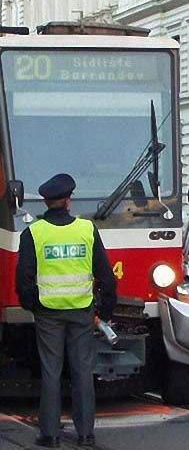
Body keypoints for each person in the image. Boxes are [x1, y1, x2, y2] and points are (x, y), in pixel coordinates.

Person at [16, 174, 117, 448]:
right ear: (69, 201)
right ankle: (86, 434)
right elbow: (106, 276)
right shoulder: (86, 230)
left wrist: (33, 305)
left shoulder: (34, 233)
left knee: (51, 371)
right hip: (82, 311)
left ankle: (50, 435)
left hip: (48, 312)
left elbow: (23, 279)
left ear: (47, 202)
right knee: (83, 371)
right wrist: (105, 310)